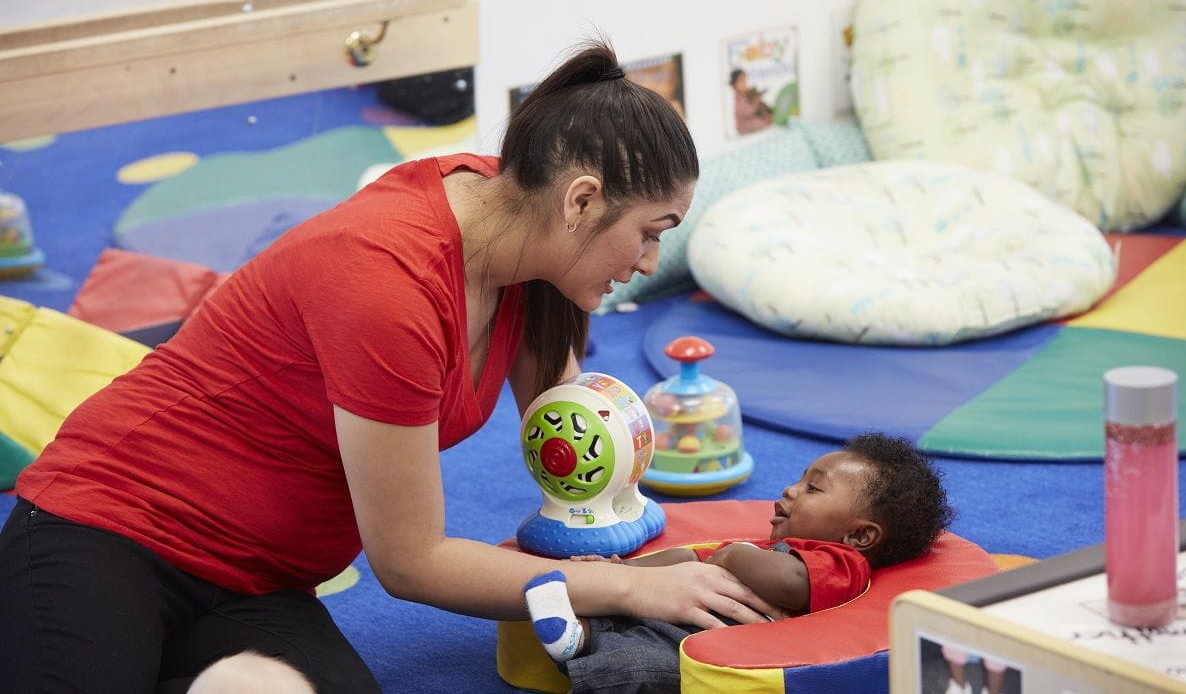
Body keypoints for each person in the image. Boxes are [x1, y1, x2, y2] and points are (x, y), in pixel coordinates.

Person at [0, 40, 782, 694]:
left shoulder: (530, 236)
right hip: (112, 527)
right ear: (580, 202)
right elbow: (411, 563)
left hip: (259, 578)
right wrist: (628, 587)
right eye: (651, 233)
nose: (650, 262)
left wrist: (657, 556)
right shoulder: (387, 281)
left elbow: (575, 448)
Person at [523, 433, 954, 694]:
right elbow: (690, 557)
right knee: (635, 622)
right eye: (799, 480)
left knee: (657, 664)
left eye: (813, 489)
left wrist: (731, 555)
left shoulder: (842, 564)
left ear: (859, 536)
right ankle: (579, 631)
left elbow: (791, 584)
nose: (789, 490)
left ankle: (578, 648)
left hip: (717, 646)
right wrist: (617, 571)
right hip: (687, 617)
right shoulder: (758, 551)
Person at [729, 68, 774, 135]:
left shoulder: (748, 95)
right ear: (733, 85)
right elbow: (750, 111)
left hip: (759, 125)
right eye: (741, 81)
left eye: (745, 81)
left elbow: (762, 107)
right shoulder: (737, 100)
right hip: (746, 129)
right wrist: (755, 100)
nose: (745, 84)